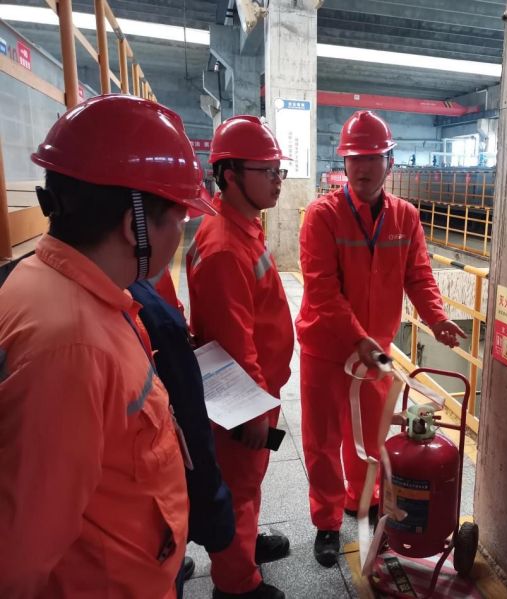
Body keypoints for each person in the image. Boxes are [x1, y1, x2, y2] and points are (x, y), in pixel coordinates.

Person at [0, 94, 215, 597]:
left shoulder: (59, 284)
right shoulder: (71, 350)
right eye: (179, 218)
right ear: (133, 225)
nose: (182, 232)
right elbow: (20, 560)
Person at [296, 110, 466, 568]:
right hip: (326, 349)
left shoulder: (405, 217)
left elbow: (419, 275)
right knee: (322, 441)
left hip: (375, 352)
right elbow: (322, 290)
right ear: (344, 163)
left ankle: (362, 503)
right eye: (355, 158)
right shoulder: (322, 216)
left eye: (373, 158)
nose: (363, 168)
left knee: (371, 439)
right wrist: (358, 339)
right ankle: (327, 522)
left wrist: (436, 318)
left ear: (390, 162)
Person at [186, 115, 293, 599]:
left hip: (260, 389)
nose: (277, 179)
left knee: (250, 482)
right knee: (238, 488)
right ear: (229, 175)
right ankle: (236, 584)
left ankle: (245, 549)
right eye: (266, 170)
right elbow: (235, 340)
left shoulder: (242, 227)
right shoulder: (225, 246)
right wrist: (251, 412)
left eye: (278, 170)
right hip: (243, 398)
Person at [129, 274, 236, 597]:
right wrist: (213, 510)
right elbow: (189, 419)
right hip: (132, 546)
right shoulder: (143, 310)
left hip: (147, 530)